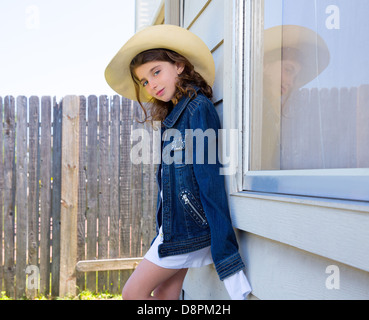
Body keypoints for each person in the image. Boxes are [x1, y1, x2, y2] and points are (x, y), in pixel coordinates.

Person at [105, 24, 251, 300]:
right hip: (176, 227)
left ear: (180, 66)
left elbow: (210, 181)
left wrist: (225, 253)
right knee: (164, 296)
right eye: (145, 81)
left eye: (156, 71)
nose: (152, 84)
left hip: (188, 229)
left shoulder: (198, 109)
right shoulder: (175, 117)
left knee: (133, 293)